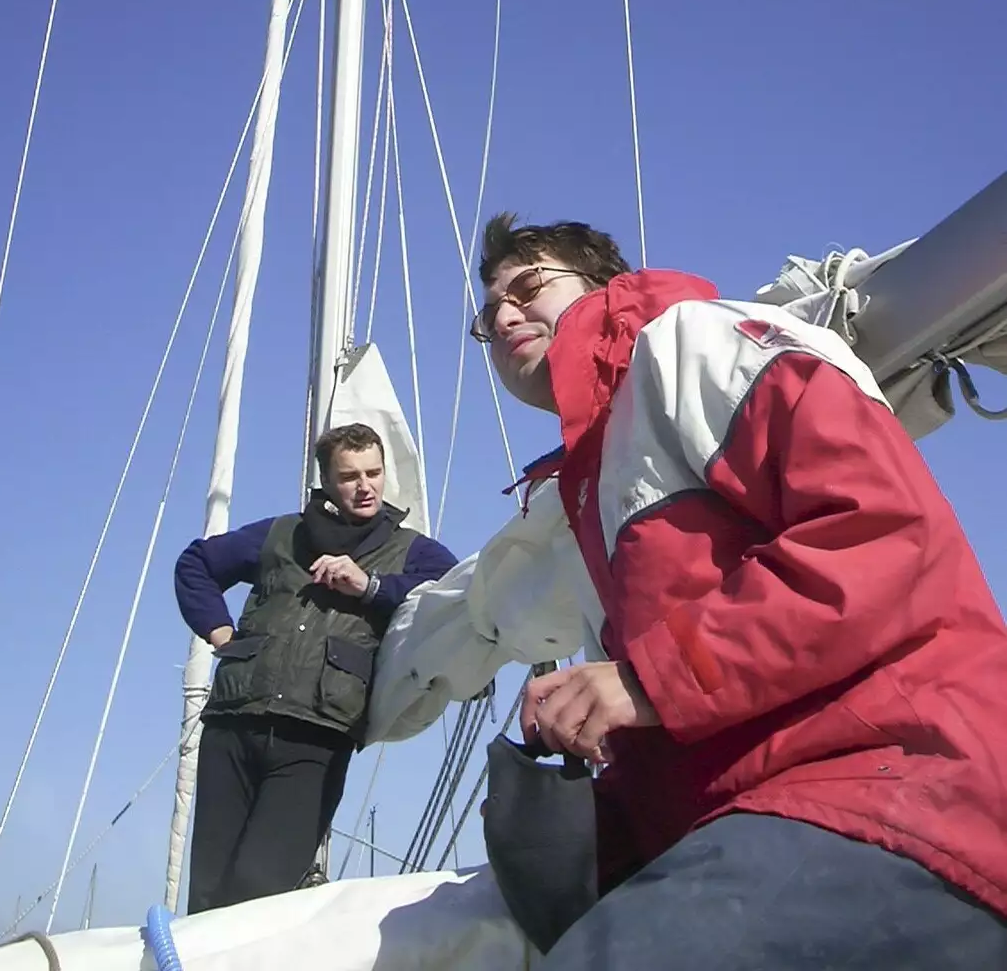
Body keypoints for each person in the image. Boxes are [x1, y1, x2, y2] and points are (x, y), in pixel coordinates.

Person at [473, 212, 1007, 968]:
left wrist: (648, 679)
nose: (501, 316)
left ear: (603, 287)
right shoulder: (593, 484)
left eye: (527, 287)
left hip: (895, 788)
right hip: (766, 822)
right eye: (485, 316)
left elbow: (879, 534)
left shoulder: (693, 342)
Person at [174, 421, 457, 913]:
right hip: (234, 723)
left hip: (317, 735)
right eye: (350, 476)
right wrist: (222, 634)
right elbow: (195, 564)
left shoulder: (412, 550)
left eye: (373, 472)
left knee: (260, 888)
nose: (365, 485)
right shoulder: (282, 534)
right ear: (326, 481)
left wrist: (369, 586)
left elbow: (453, 593)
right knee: (208, 893)